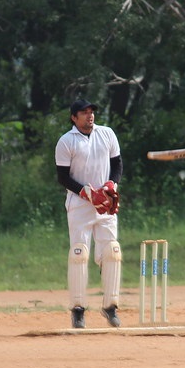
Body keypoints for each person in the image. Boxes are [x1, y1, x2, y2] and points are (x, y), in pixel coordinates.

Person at [55, 99, 124, 329]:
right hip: (79, 205)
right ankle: (78, 310)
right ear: (74, 117)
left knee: (112, 252)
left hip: (105, 203)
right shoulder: (66, 141)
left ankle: (110, 307)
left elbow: (117, 164)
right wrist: (86, 193)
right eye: (84, 113)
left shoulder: (107, 134)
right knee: (79, 254)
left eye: (91, 112)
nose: (89, 116)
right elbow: (63, 177)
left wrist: (112, 185)